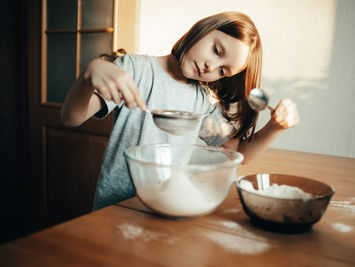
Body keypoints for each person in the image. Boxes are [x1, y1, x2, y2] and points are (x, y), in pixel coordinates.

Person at [61, 11, 299, 210]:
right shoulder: (134, 70)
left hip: (167, 206)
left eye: (223, 71)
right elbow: (71, 118)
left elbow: (241, 154)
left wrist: (275, 127)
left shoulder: (202, 100)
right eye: (216, 51)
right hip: (117, 206)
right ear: (203, 29)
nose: (211, 67)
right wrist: (88, 76)